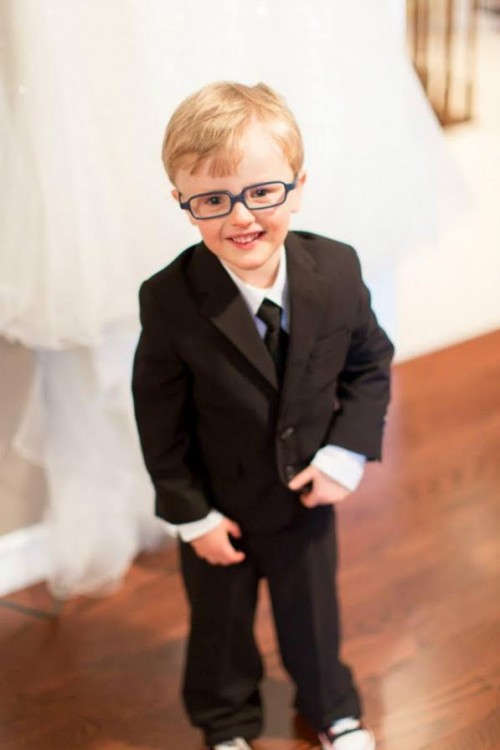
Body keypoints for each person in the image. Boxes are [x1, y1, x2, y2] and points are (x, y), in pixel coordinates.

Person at [132, 81, 394, 750]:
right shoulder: (170, 299)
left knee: (314, 614)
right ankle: (225, 724)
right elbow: (159, 418)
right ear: (183, 204)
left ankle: (333, 708)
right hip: (221, 504)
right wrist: (192, 514)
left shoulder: (335, 269)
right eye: (214, 200)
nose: (241, 217)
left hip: (307, 496)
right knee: (220, 627)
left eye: (262, 192)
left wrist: (345, 454)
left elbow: (369, 364)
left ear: (297, 187)